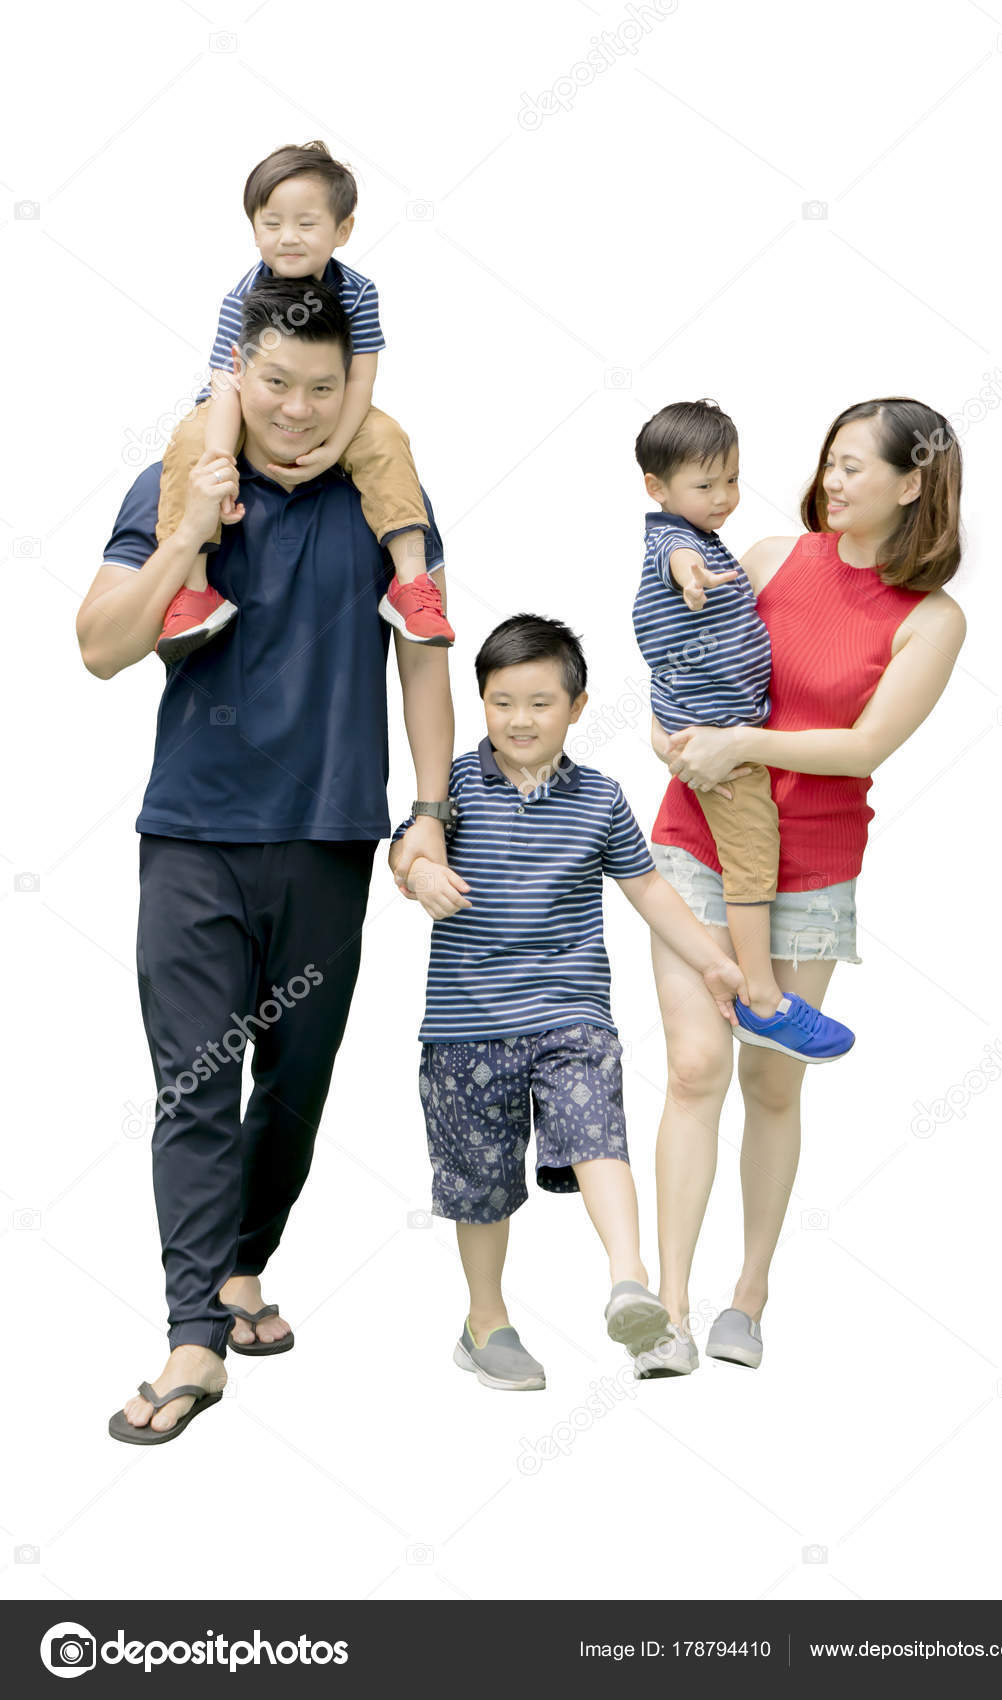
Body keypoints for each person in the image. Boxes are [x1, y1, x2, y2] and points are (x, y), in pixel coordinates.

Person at [76, 277, 455, 1443]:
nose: (296, 410)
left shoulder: (384, 493)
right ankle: (195, 1333)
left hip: (332, 832)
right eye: (276, 384)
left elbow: (425, 656)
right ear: (238, 372)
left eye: (322, 388)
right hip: (192, 831)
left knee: (293, 1082)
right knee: (195, 1082)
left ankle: (241, 1266)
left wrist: (429, 808)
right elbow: (98, 647)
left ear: (356, 386)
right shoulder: (182, 474)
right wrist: (188, 531)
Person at [642, 397, 966, 1377]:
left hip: (814, 865)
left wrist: (743, 741)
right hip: (696, 840)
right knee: (695, 1065)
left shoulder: (931, 619)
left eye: (855, 466)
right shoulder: (775, 554)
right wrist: (671, 731)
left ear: (912, 483)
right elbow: (684, 648)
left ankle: (747, 1293)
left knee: (768, 1078)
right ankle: (666, 1307)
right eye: (828, 460)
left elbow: (864, 743)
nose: (832, 478)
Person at [388, 615, 747, 1388]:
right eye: (502, 702)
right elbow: (404, 850)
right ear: (480, 703)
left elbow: (648, 889)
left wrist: (716, 964)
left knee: (596, 1134)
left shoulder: (601, 800)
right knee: (479, 1187)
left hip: (570, 1014)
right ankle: (486, 1324)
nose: (521, 720)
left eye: (541, 703)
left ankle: (630, 1282)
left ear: (577, 708)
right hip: (465, 1025)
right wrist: (418, 874)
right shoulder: (447, 788)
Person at [153, 139, 453, 662]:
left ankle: (410, 583)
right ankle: (193, 589)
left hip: (332, 406)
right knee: (192, 442)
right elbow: (226, 382)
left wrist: (335, 448)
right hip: (238, 405)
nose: (288, 238)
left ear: (343, 230)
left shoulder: (357, 292)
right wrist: (221, 462)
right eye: (272, 223)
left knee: (385, 437)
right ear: (253, 227)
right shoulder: (242, 296)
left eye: (306, 224)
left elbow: (359, 380)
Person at [634, 398, 855, 1064]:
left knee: (751, 850)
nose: (724, 496)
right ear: (658, 489)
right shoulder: (674, 540)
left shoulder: (703, 534)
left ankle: (758, 992)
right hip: (715, 739)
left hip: (714, 727)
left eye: (731, 479)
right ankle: (762, 999)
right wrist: (691, 579)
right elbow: (675, 558)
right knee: (754, 852)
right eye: (705, 485)